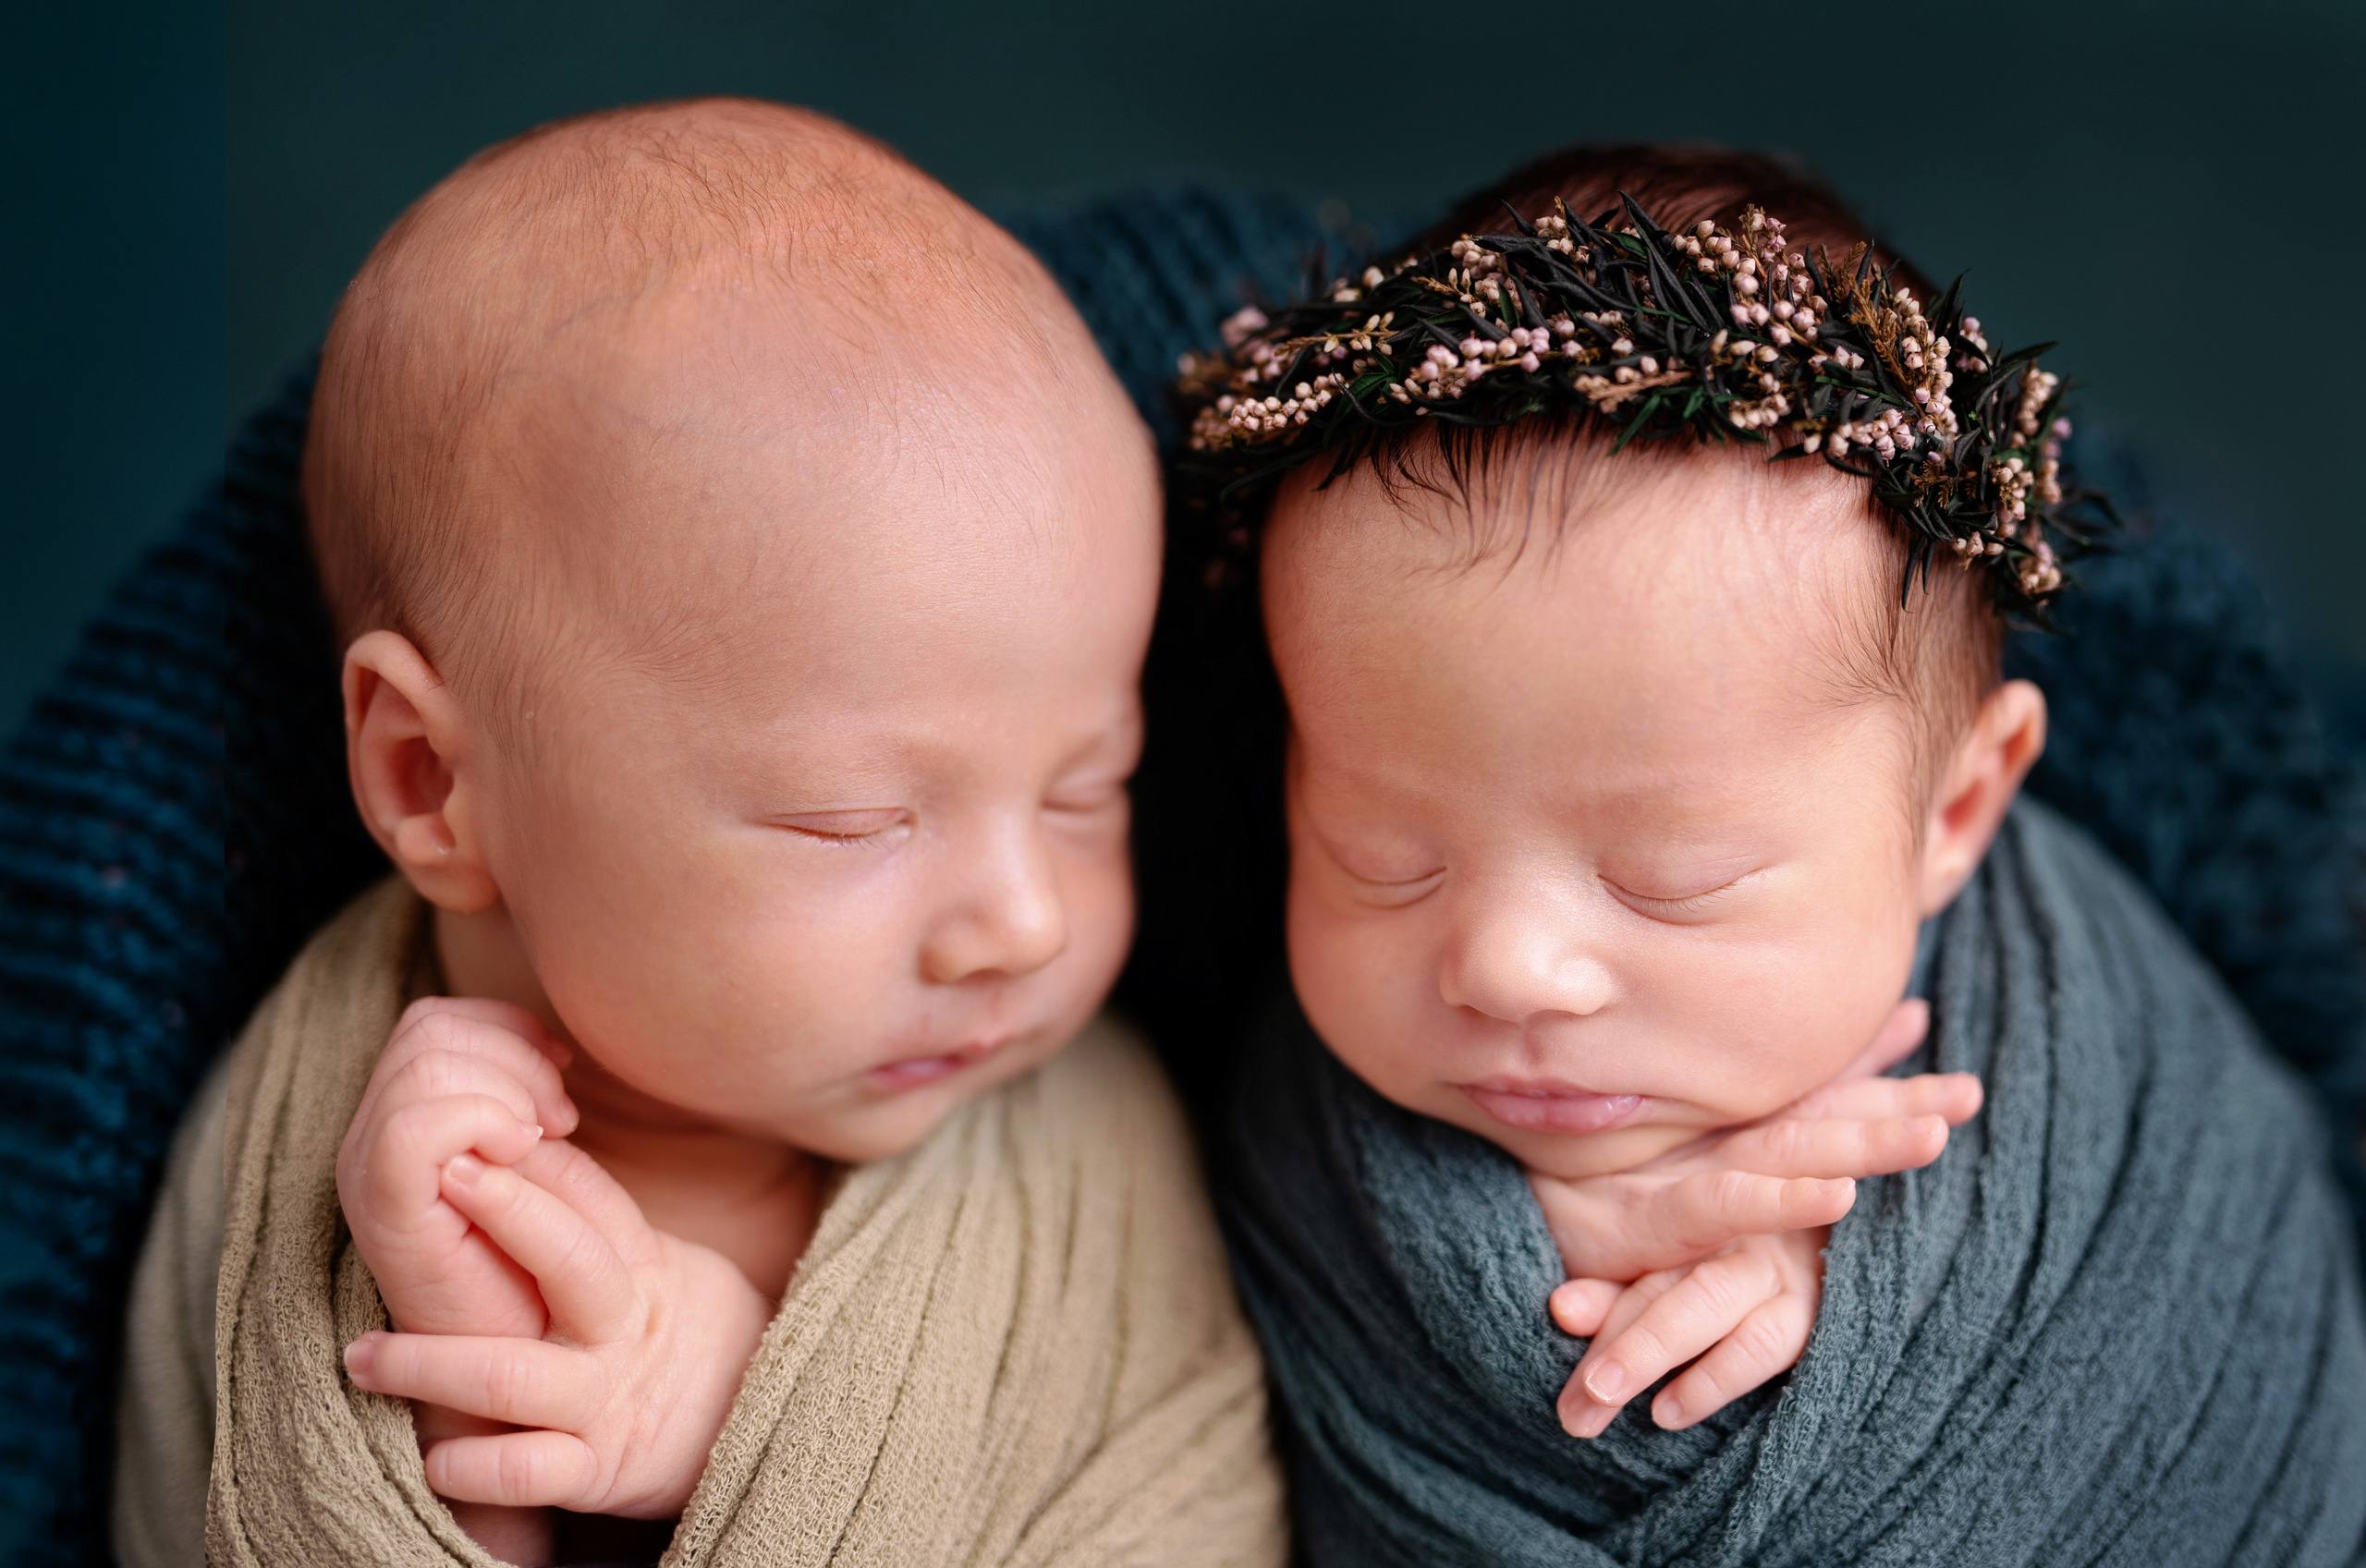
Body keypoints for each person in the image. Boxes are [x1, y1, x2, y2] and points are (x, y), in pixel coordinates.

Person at [114, 99, 1285, 1568]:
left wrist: (732, 1421)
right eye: (854, 818)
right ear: (428, 780)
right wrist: (469, 1417)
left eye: (1086, 788)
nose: (1025, 922)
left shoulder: (1086, 1151)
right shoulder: (321, 1168)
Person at [1182, 146, 2366, 1564]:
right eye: (1378, 854)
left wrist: (1892, 1286)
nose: (1506, 966)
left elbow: (2242, 1310)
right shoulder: (1268, 1120)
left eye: (1667, 879)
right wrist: (1558, 1241)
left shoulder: (2117, 1063)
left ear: (1957, 813)